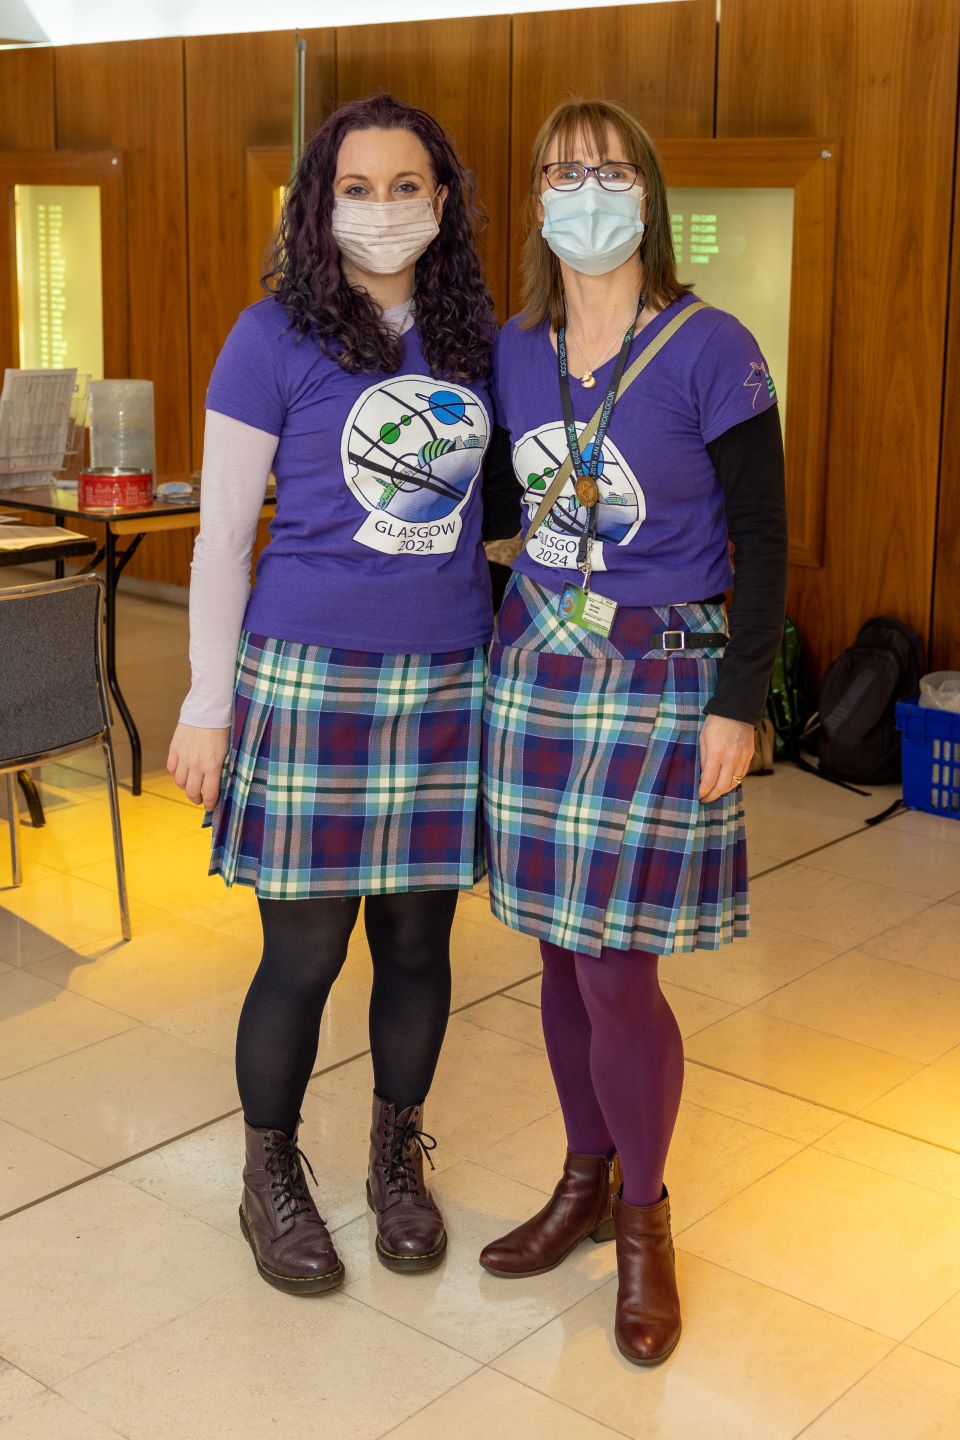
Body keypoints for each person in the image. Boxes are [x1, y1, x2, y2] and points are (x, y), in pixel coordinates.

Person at [167, 94, 518, 1295]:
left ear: (442, 200)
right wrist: (206, 703)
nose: (382, 208)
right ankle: (269, 1173)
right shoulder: (268, 337)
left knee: (418, 940)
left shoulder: (479, 340)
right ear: (319, 206)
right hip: (309, 673)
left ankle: (394, 1157)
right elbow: (222, 539)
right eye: (355, 188)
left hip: (447, 671)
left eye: (405, 185)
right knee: (304, 952)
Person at [479, 98, 787, 1365]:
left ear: (648, 196)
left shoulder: (714, 346)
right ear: (537, 200)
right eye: (562, 173)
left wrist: (741, 701)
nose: (585, 193)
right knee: (558, 956)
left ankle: (646, 1220)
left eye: (609, 172)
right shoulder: (514, 348)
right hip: (534, 668)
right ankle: (582, 1179)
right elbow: (491, 505)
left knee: (616, 966)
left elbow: (765, 537)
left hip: (661, 678)